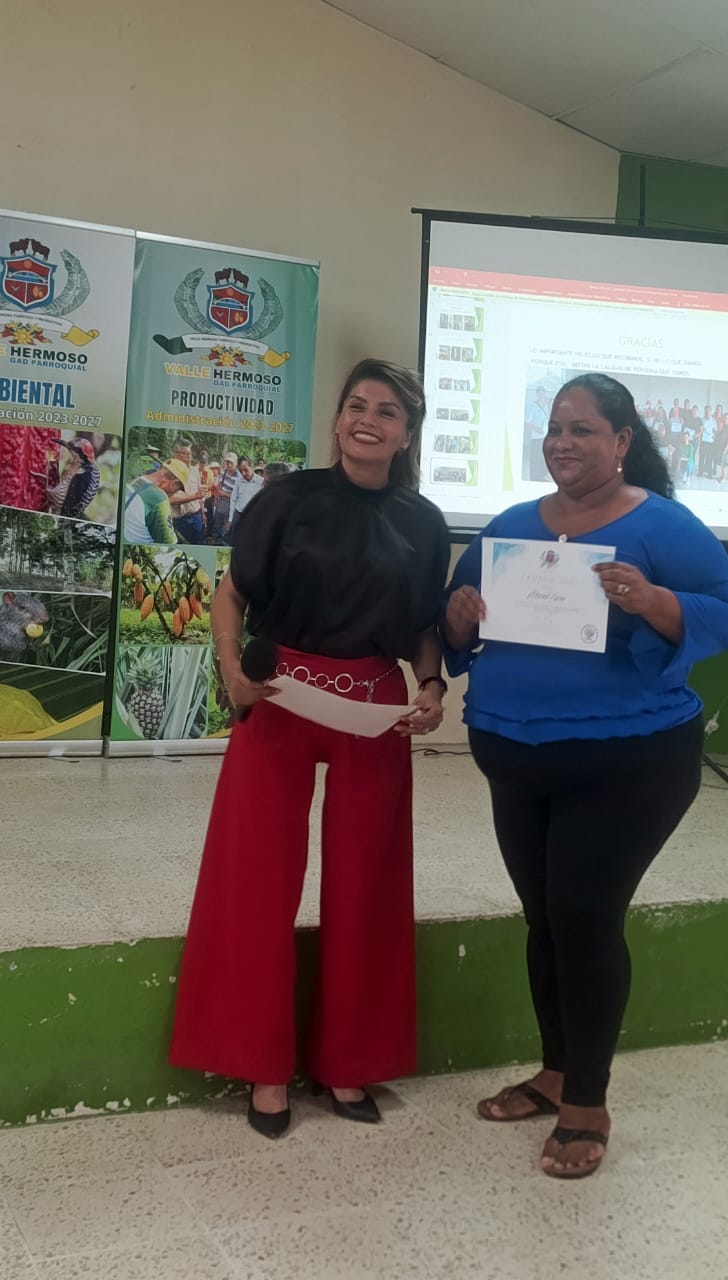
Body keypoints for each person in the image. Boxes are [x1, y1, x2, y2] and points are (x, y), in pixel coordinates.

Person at [443, 373, 728, 1180]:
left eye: (582, 429)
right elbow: (456, 619)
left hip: (629, 761)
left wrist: (652, 600)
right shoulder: (511, 526)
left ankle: (587, 1103)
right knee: (546, 919)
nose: (563, 442)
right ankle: (555, 1072)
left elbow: (725, 615)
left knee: (583, 916)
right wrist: (457, 617)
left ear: (622, 442)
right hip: (516, 760)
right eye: (555, 428)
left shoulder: (665, 525)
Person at [169, 359, 451, 1138]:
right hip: (279, 695)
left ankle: (349, 1062)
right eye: (357, 405)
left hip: (373, 704)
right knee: (255, 879)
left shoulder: (424, 522)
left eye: (387, 412)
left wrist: (432, 686)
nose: (368, 420)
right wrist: (231, 670)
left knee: (369, 885)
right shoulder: (286, 499)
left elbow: (422, 626)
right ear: (337, 419)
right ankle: (261, 1065)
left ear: (406, 433)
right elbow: (233, 592)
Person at [122, 459, 188, 545]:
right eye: (177, 490)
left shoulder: (134, 481)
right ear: (174, 484)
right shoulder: (158, 498)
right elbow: (169, 543)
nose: (174, 493)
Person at [168, 439, 208, 543]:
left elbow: (200, 495)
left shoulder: (195, 471)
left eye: (190, 453)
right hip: (179, 520)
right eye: (185, 453)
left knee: (198, 545)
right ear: (175, 454)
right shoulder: (169, 473)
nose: (189, 456)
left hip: (196, 517)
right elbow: (170, 499)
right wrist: (195, 496)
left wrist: (202, 513)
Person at [224, 456, 262, 542]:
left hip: (254, 517)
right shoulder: (238, 482)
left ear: (252, 467)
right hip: (238, 515)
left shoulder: (261, 482)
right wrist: (230, 519)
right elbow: (233, 500)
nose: (243, 473)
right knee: (234, 540)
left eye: (245, 470)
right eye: (240, 471)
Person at [212, 452, 240, 540]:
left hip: (230, 504)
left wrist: (225, 494)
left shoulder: (239, 477)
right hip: (221, 502)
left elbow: (238, 495)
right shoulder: (223, 472)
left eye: (231, 462)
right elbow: (219, 486)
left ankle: (223, 541)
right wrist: (216, 499)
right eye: (227, 462)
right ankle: (216, 539)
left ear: (236, 463)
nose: (229, 465)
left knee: (227, 525)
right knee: (217, 523)